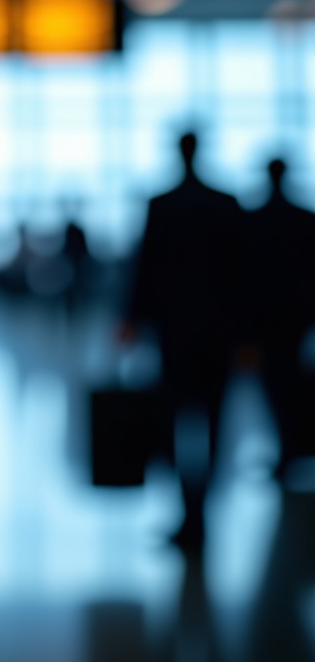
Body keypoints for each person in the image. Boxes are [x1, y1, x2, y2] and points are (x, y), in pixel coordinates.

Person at [123, 132, 246, 551]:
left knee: (175, 418)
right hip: (220, 332)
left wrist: (131, 319)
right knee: (214, 420)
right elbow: (242, 273)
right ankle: (200, 511)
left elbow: (147, 266)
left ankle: (187, 510)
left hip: (175, 330)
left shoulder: (163, 204)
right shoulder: (225, 204)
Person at [246, 158, 315, 480]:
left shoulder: (255, 221)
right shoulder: (303, 219)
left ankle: (290, 448)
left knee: (275, 384)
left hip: (263, 317)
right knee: (294, 382)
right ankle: (295, 446)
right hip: (296, 315)